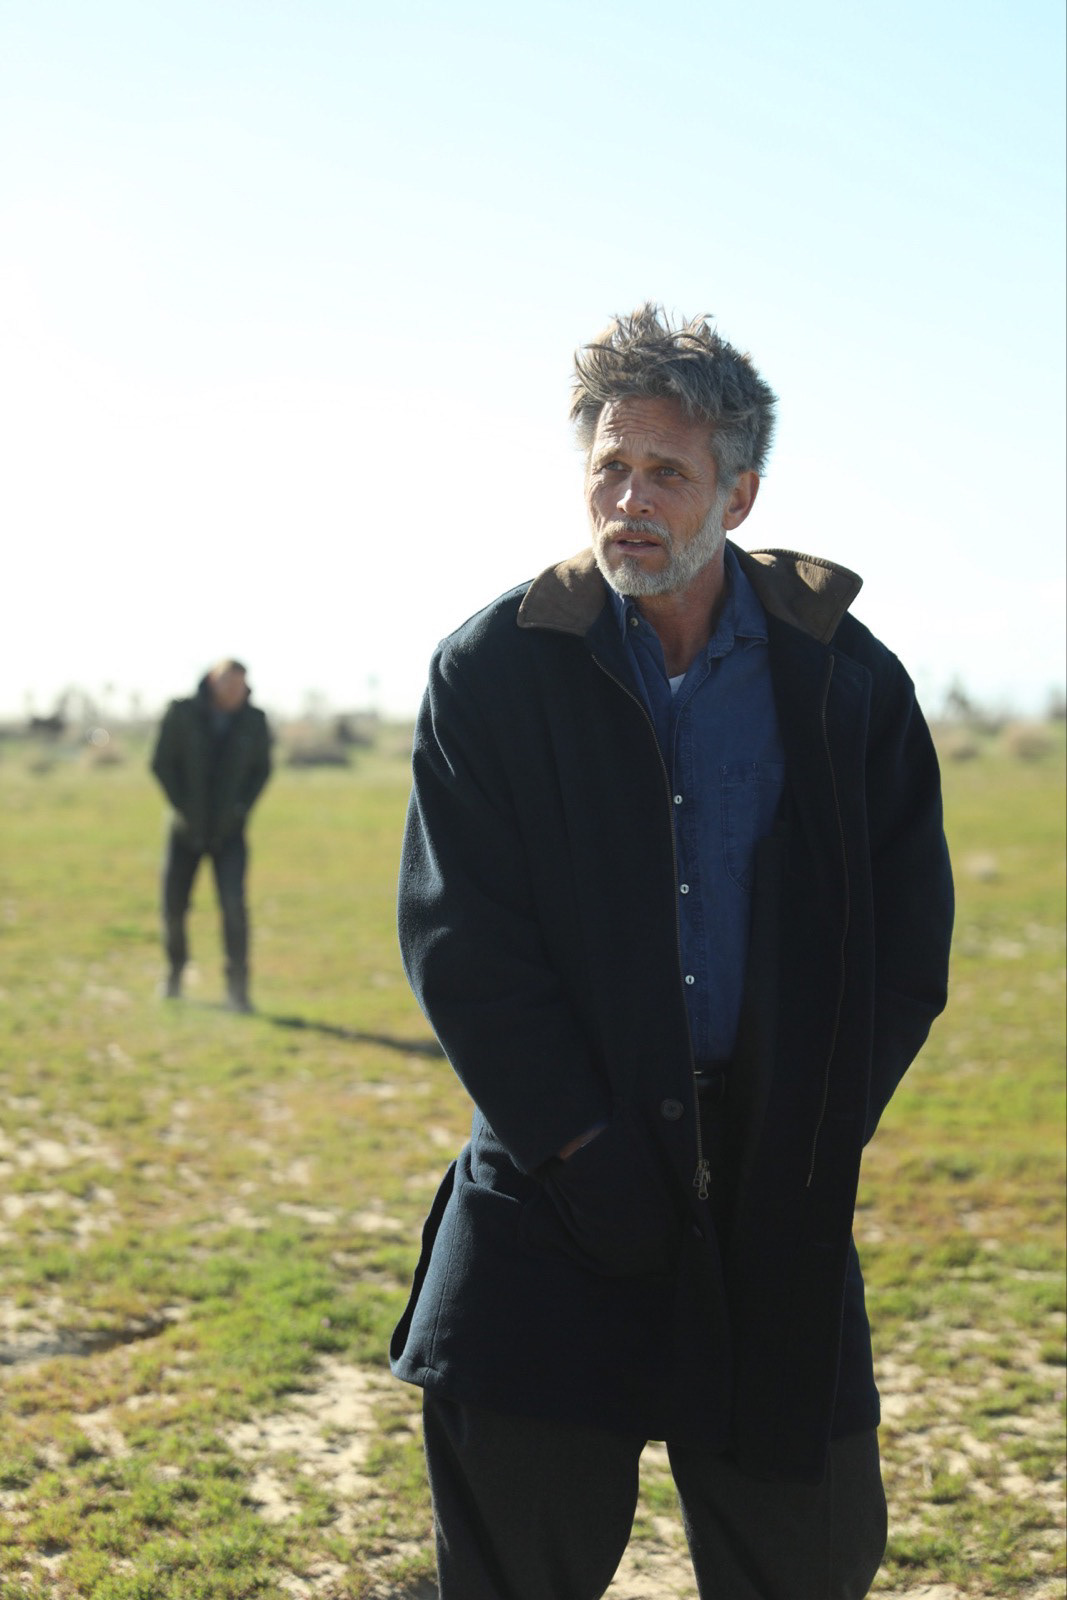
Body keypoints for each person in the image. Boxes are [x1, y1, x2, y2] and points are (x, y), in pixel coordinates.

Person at [392, 304, 954, 1600]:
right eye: (609, 466)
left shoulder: (843, 677)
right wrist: (583, 1150)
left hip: (772, 1195)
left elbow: (901, 947)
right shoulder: (493, 668)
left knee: (802, 1565)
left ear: (737, 494)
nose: (628, 500)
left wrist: (808, 1128)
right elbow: (459, 941)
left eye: (666, 472)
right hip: (551, 1194)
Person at [150, 659, 271, 1012]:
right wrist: (183, 808)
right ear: (211, 682)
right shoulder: (182, 713)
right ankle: (174, 976)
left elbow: (262, 769)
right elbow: (161, 763)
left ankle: (238, 990)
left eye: (239, 686)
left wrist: (240, 809)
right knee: (174, 907)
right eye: (226, 684)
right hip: (185, 830)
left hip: (229, 833)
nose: (233, 692)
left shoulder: (254, 720)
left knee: (234, 907)